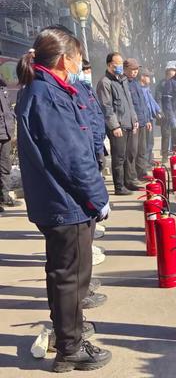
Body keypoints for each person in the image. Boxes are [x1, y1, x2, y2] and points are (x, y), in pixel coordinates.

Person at [15, 27, 111, 372]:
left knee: (69, 273)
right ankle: (69, 348)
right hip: (64, 201)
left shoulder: (49, 89)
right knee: (69, 275)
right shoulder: (46, 94)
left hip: (62, 199)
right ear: (62, 58)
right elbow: (70, 154)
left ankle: (67, 331)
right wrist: (98, 196)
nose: (78, 64)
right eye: (75, 56)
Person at [96, 53, 139, 195]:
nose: (120, 67)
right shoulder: (105, 82)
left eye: (121, 64)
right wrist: (114, 126)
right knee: (119, 157)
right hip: (117, 127)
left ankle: (129, 181)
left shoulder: (123, 80)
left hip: (128, 123)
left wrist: (134, 120)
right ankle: (119, 186)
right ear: (109, 65)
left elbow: (129, 102)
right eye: (117, 64)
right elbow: (106, 107)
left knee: (129, 154)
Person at [124, 58, 151, 180]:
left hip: (142, 121)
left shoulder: (136, 83)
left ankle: (142, 173)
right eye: (132, 69)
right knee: (132, 151)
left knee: (142, 149)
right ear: (125, 69)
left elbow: (142, 103)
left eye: (136, 69)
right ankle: (132, 175)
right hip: (133, 123)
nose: (135, 72)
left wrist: (147, 120)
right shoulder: (124, 83)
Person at [77, 63, 107, 171]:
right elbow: (90, 119)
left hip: (98, 138)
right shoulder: (79, 92)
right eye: (85, 71)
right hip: (91, 141)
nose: (88, 74)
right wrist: (98, 147)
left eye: (89, 71)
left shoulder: (89, 89)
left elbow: (98, 114)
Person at [0, 76, 20, 210]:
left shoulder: (3, 86)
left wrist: (11, 129)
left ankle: (4, 196)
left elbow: (9, 110)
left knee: (4, 166)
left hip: (5, 133)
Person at [140, 68, 162, 165]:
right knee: (145, 143)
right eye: (148, 76)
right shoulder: (140, 90)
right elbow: (143, 106)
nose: (150, 78)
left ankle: (149, 160)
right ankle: (144, 162)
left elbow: (151, 101)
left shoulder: (146, 89)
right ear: (142, 77)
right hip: (144, 120)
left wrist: (158, 110)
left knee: (150, 141)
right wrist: (146, 120)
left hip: (150, 118)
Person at [155, 67, 176, 164]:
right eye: (170, 75)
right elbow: (158, 99)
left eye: (174, 76)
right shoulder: (161, 86)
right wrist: (160, 112)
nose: (172, 77)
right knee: (166, 135)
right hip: (165, 114)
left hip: (175, 113)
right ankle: (164, 155)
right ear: (166, 76)